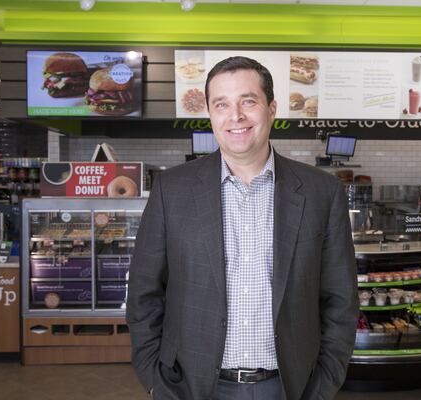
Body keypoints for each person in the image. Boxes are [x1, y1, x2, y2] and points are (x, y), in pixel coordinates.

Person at [127, 56, 358, 400]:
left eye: (248, 101)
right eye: (222, 104)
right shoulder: (171, 190)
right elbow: (144, 293)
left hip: (289, 387)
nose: (235, 116)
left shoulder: (321, 193)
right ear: (210, 113)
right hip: (190, 386)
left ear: (272, 109)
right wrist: (155, 380)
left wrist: (323, 384)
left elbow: (341, 299)